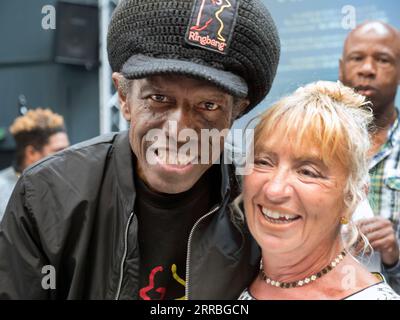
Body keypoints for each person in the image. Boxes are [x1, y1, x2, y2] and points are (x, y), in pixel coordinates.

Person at [0, 0, 280, 299]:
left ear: (235, 112)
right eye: (159, 98)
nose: (178, 131)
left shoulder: (263, 196)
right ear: (124, 97)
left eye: (208, 106)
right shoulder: (47, 194)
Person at [234, 81, 400, 300]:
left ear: (351, 198)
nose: (275, 190)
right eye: (264, 161)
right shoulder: (225, 276)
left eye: (308, 172)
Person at [339, 21, 400, 293]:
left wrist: (394, 253)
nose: (367, 69)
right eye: (357, 58)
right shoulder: (314, 145)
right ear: (342, 68)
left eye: (383, 60)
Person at [0, 108, 69, 221]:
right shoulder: (2, 189)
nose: (67, 156)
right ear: (31, 153)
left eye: (69, 149)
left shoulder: (64, 186)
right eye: (59, 151)